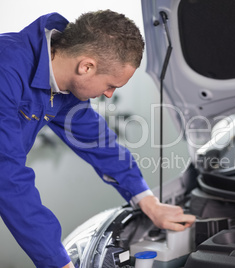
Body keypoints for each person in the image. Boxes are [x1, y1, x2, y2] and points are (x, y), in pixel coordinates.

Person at [0, 10, 195, 268]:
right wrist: (59, 262)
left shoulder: (62, 82)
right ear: (87, 66)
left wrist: (148, 201)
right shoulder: (6, 70)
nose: (109, 94)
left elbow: (98, 141)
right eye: (111, 85)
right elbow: (8, 176)